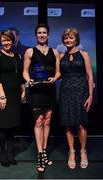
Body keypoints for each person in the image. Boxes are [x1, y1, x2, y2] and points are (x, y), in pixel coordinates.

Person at [23, 23, 60, 172]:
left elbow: (58, 72)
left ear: (48, 35)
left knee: (47, 121)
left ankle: (44, 152)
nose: (42, 35)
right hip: (36, 91)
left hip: (49, 90)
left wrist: (55, 78)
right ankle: (40, 154)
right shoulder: (29, 51)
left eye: (44, 32)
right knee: (38, 122)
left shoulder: (55, 52)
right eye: (39, 33)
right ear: (36, 35)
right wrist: (28, 80)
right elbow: (25, 72)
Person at [59, 28, 94, 169]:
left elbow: (90, 76)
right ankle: (72, 152)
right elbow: (57, 74)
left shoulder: (84, 54)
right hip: (66, 92)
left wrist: (90, 95)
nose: (68, 40)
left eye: (71, 38)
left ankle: (83, 151)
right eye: (66, 38)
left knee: (81, 124)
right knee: (68, 123)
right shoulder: (61, 56)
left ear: (76, 39)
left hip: (81, 92)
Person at [0, 29, 25, 167]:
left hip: (15, 95)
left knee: (12, 126)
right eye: (4, 40)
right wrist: (2, 96)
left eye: (8, 40)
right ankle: (3, 152)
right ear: (0, 42)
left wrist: (23, 92)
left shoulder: (17, 55)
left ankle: (11, 152)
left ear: (12, 40)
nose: (6, 42)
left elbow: (20, 76)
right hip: (3, 95)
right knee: (2, 126)